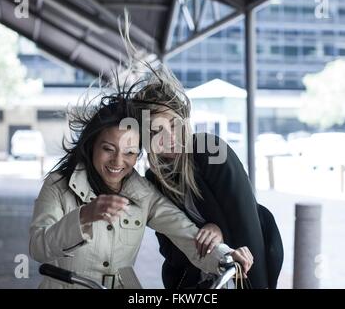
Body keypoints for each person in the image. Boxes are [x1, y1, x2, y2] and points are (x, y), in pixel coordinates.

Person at [29, 93, 253, 289]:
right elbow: (38, 247)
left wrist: (225, 256)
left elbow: (185, 233)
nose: (118, 161)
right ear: (91, 145)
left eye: (129, 152)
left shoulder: (143, 193)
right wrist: (84, 217)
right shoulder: (58, 185)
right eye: (108, 149)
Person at [132, 67, 284, 289]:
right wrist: (202, 236)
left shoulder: (210, 152)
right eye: (156, 132)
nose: (169, 137)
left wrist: (218, 230)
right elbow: (170, 250)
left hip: (246, 267)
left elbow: (247, 225)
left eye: (174, 125)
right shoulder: (154, 179)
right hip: (198, 280)